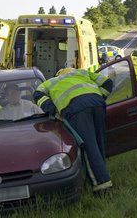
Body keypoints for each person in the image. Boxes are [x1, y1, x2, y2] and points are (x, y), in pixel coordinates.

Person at [32, 67, 114, 195]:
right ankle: (100, 176)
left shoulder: (51, 82)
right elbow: (107, 82)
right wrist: (99, 97)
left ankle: (102, 187)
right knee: (99, 143)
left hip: (76, 109)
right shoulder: (82, 73)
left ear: (58, 73)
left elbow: (37, 95)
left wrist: (54, 110)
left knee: (89, 147)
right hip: (97, 104)